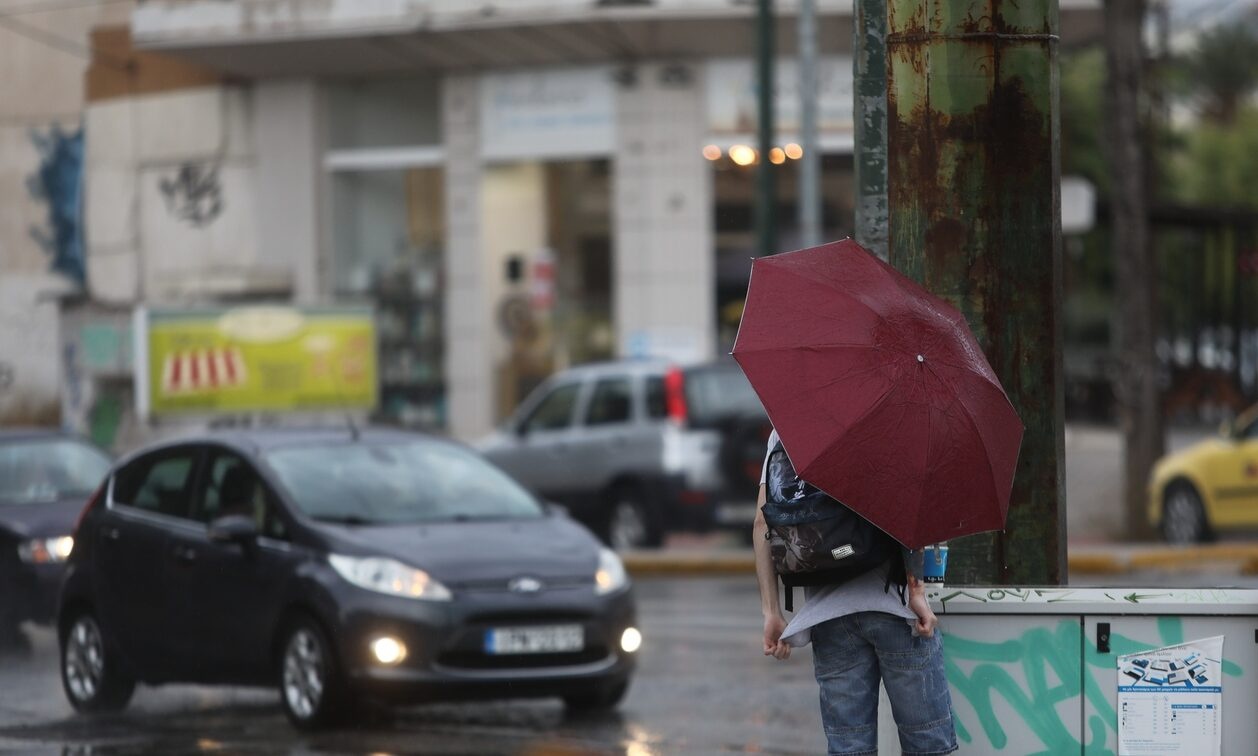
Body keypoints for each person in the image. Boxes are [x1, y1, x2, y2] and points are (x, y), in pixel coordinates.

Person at [754, 428, 957, 756]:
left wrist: (772, 612)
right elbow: (907, 509)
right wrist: (916, 591)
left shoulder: (784, 429)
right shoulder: (887, 417)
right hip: (896, 610)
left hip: (829, 617)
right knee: (928, 744)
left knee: (849, 748)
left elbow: (763, 523)